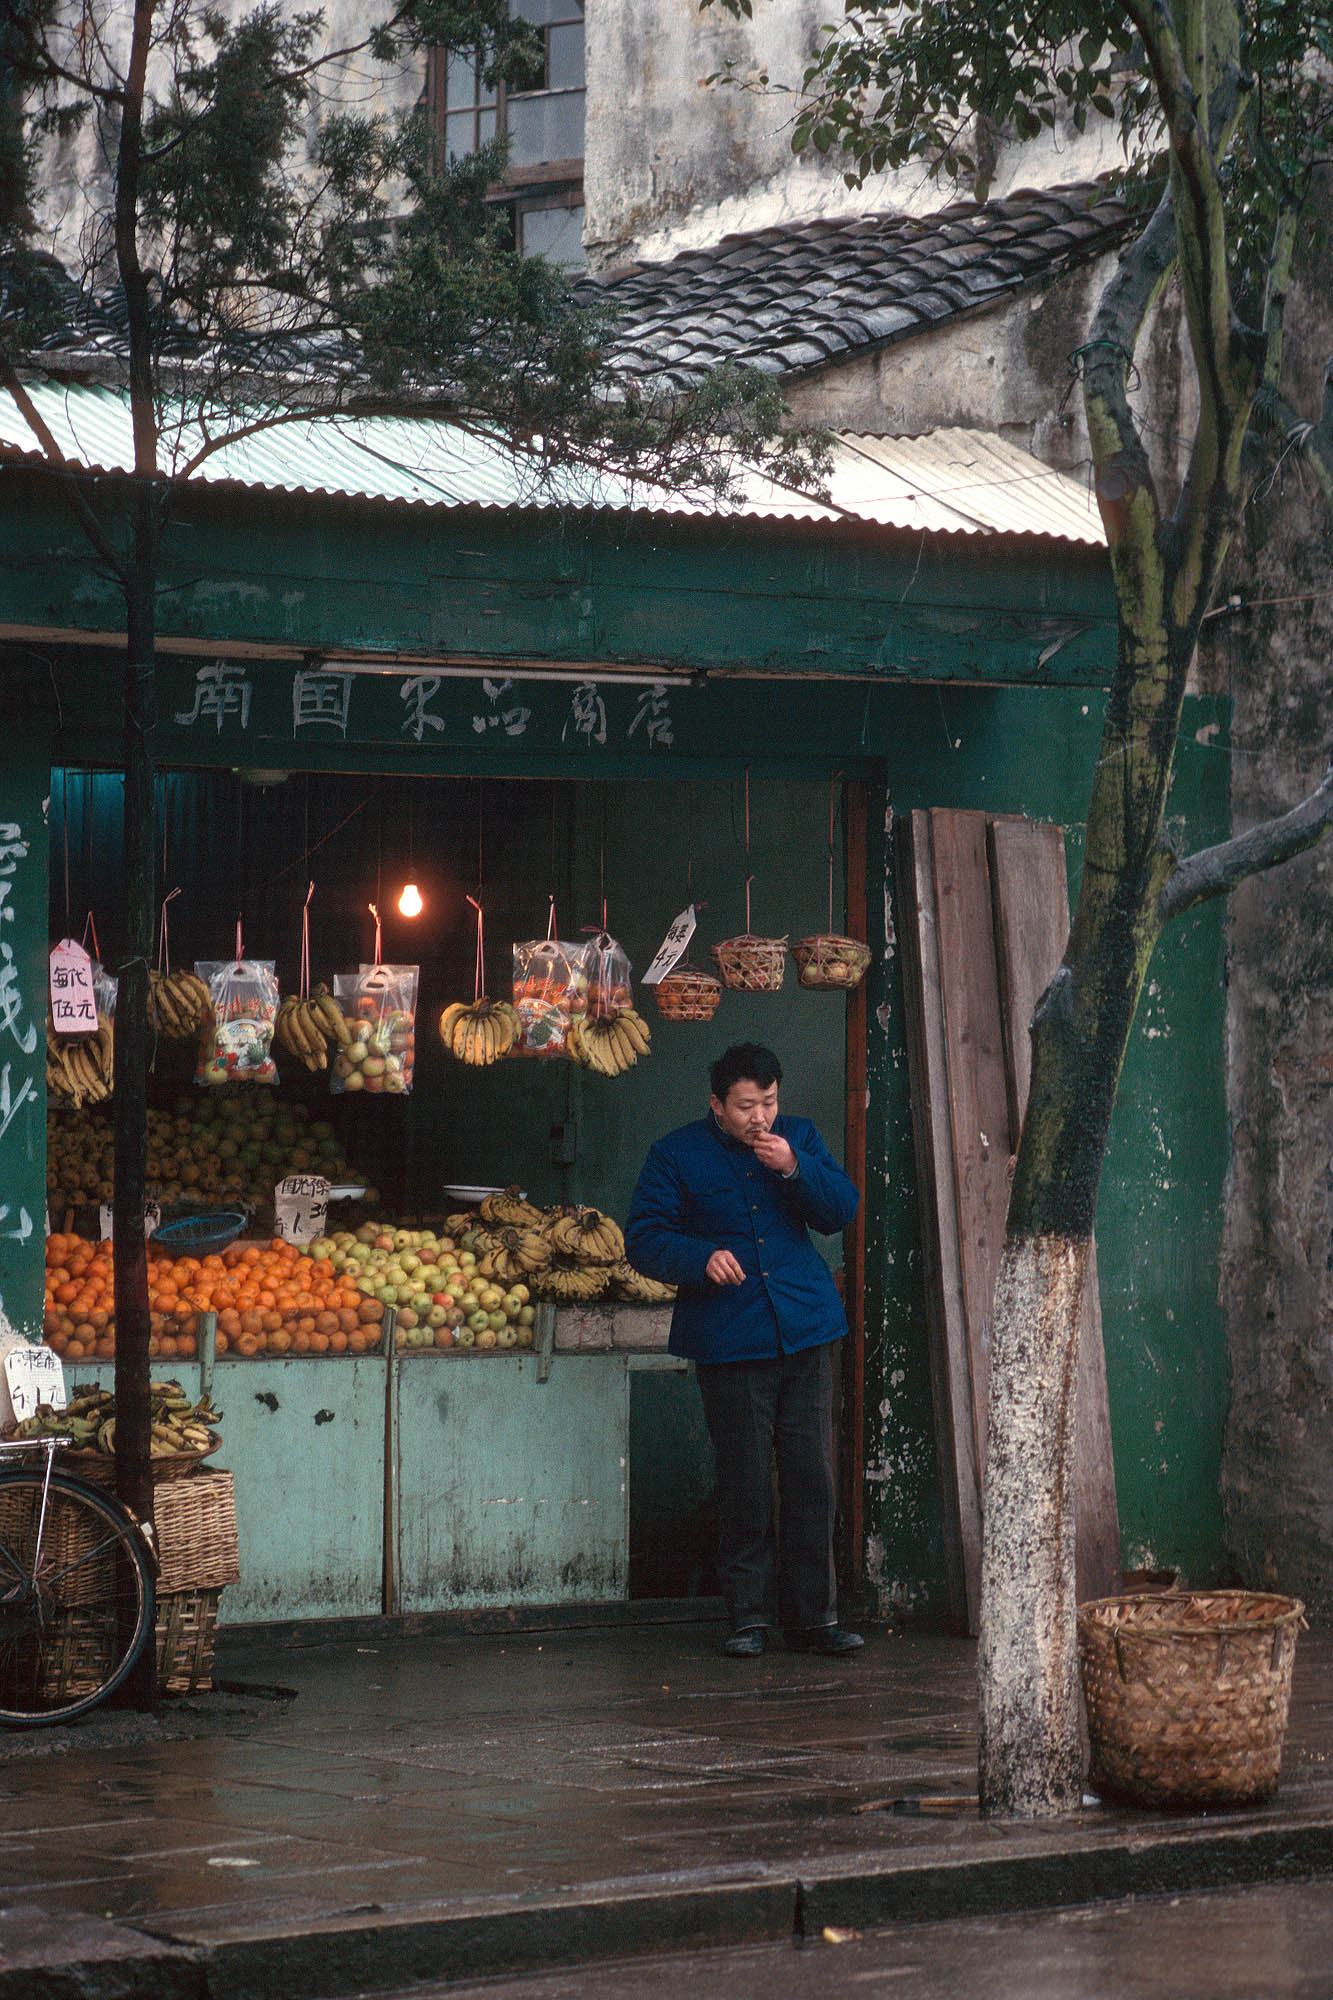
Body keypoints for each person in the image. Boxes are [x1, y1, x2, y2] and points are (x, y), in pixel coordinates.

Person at [625, 1042, 863, 1658]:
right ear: (717, 1104)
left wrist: (794, 1168)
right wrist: (699, 1258)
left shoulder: (800, 1138)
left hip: (807, 1331)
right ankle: (749, 1619)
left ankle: (816, 1617)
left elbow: (841, 1210)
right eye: (746, 1106)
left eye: (770, 1102)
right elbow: (645, 1239)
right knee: (747, 1480)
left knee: (812, 1475)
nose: (761, 1117)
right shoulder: (675, 1153)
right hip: (729, 1339)